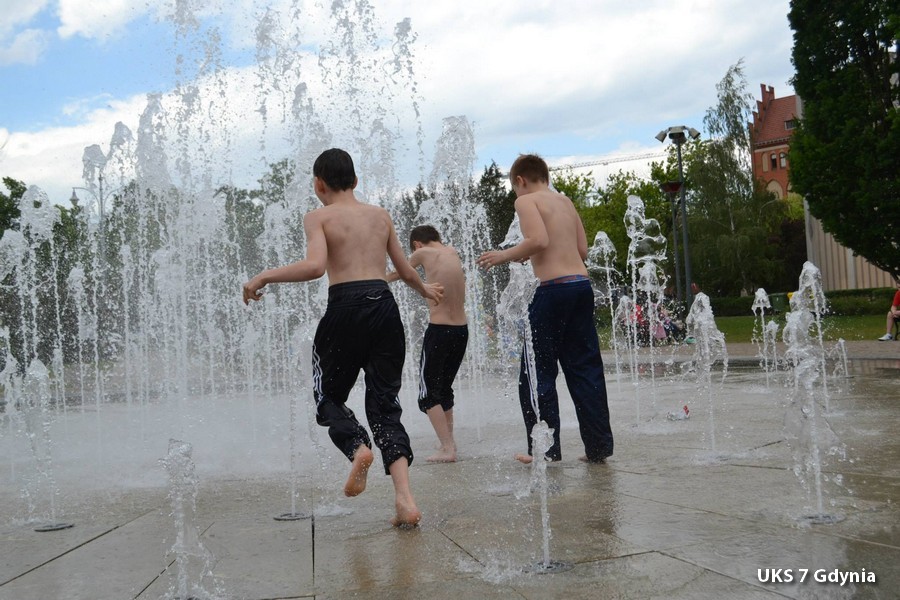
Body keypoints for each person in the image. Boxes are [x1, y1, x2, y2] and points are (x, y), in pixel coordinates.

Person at [242, 148, 443, 527]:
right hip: (384, 305)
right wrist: (425, 291)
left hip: (345, 307)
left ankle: (357, 446)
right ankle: (404, 499)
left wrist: (265, 275)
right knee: (385, 405)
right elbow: (403, 269)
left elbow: (315, 267)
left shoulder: (318, 217)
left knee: (328, 396)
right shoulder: (380, 215)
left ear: (319, 184)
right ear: (355, 180)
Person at [476, 153, 613, 464]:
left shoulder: (526, 201)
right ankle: (598, 447)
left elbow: (538, 239)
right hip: (580, 287)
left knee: (537, 373)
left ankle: (545, 451)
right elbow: (582, 250)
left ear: (520, 180)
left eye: (515, 188)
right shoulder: (565, 201)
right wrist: (533, 252)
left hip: (553, 291)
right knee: (585, 369)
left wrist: (504, 255)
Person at [387, 225, 468, 462]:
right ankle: (449, 442)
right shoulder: (451, 251)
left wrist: (376, 279)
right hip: (461, 330)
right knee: (444, 389)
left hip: (440, 331)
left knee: (427, 394)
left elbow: (402, 272)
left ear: (417, 244)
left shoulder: (422, 253)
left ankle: (447, 448)